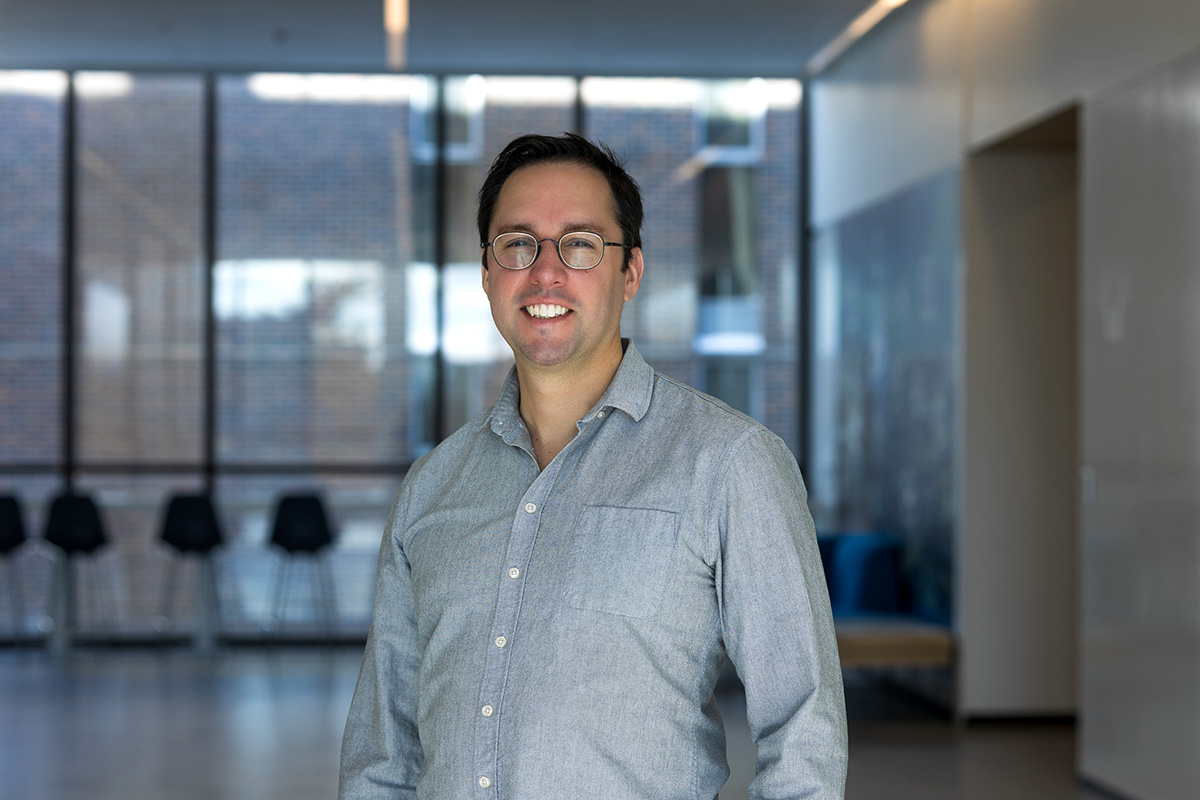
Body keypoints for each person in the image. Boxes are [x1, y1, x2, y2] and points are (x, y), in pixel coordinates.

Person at [339, 133, 847, 799]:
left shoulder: (729, 464)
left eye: (579, 244)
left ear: (630, 271)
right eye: (517, 244)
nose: (545, 273)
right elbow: (385, 753)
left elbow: (803, 728)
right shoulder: (433, 486)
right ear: (487, 272)